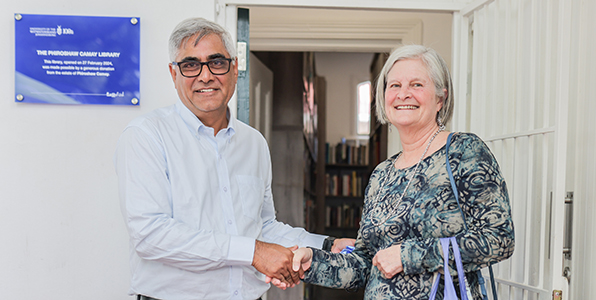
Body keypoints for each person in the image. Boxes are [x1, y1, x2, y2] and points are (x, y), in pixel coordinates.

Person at [114, 17, 353, 300]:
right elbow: (151, 236)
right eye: (190, 64)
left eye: (216, 62)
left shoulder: (254, 143)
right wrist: (254, 252)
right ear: (173, 73)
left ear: (235, 68)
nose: (205, 76)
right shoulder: (147, 135)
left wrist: (326, 245)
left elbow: (263, 226)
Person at [280, 45, 515, 299]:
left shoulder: (463, 151)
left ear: (440, 98)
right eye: (394, 86)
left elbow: (499, 239)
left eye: (416, 85)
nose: (404, 94)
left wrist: (407, 256)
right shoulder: (382, 174)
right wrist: (312, 263)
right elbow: (364, 264)